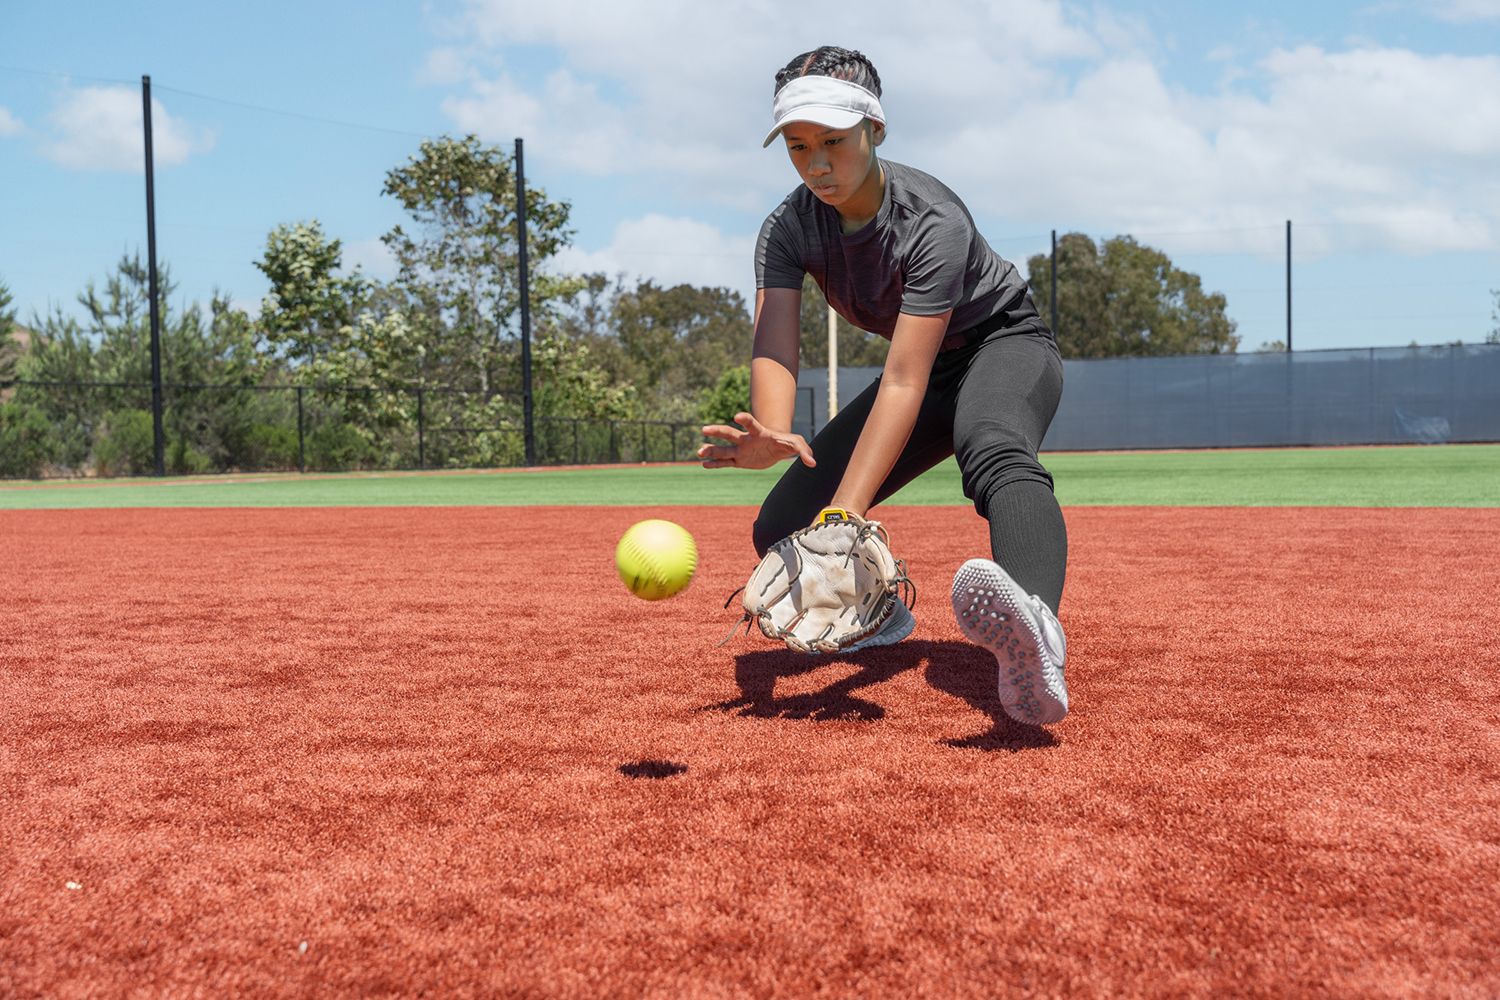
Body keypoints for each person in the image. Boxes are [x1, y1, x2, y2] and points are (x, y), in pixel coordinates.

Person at [698, 46, 1070, 726]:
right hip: (921, 370)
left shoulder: (932, 219)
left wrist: (846, 515)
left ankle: (1037, 630)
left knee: (993, 448)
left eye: (833, 142)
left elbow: (904, 378)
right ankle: (879, 615)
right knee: (784, 529)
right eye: (797, 145)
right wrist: (774, 431)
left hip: (1004, 345)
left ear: (875, 130)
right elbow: (776, 340)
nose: (815, 164)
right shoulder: (787, 228)